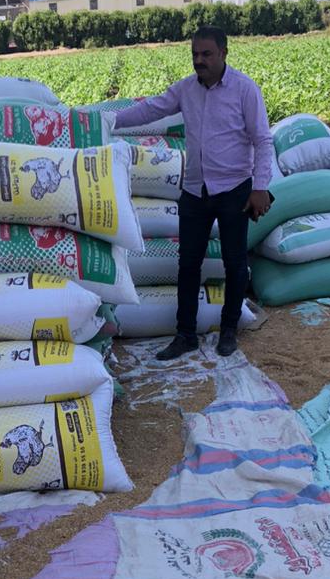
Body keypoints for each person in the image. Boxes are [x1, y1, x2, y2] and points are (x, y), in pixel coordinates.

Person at [114, 27, 274, 359]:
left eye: (206, 54)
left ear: (223, 53)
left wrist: (260, 187)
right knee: (188, 265)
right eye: (195, 54)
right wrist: (108, 121)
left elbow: (262, 139)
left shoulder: (245, 89)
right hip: (195, 190)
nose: (199, 60)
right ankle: (185, 334)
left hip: (234, 188)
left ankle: (228, 330)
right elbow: (151, 109)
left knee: (234, 263)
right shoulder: (186, 89)